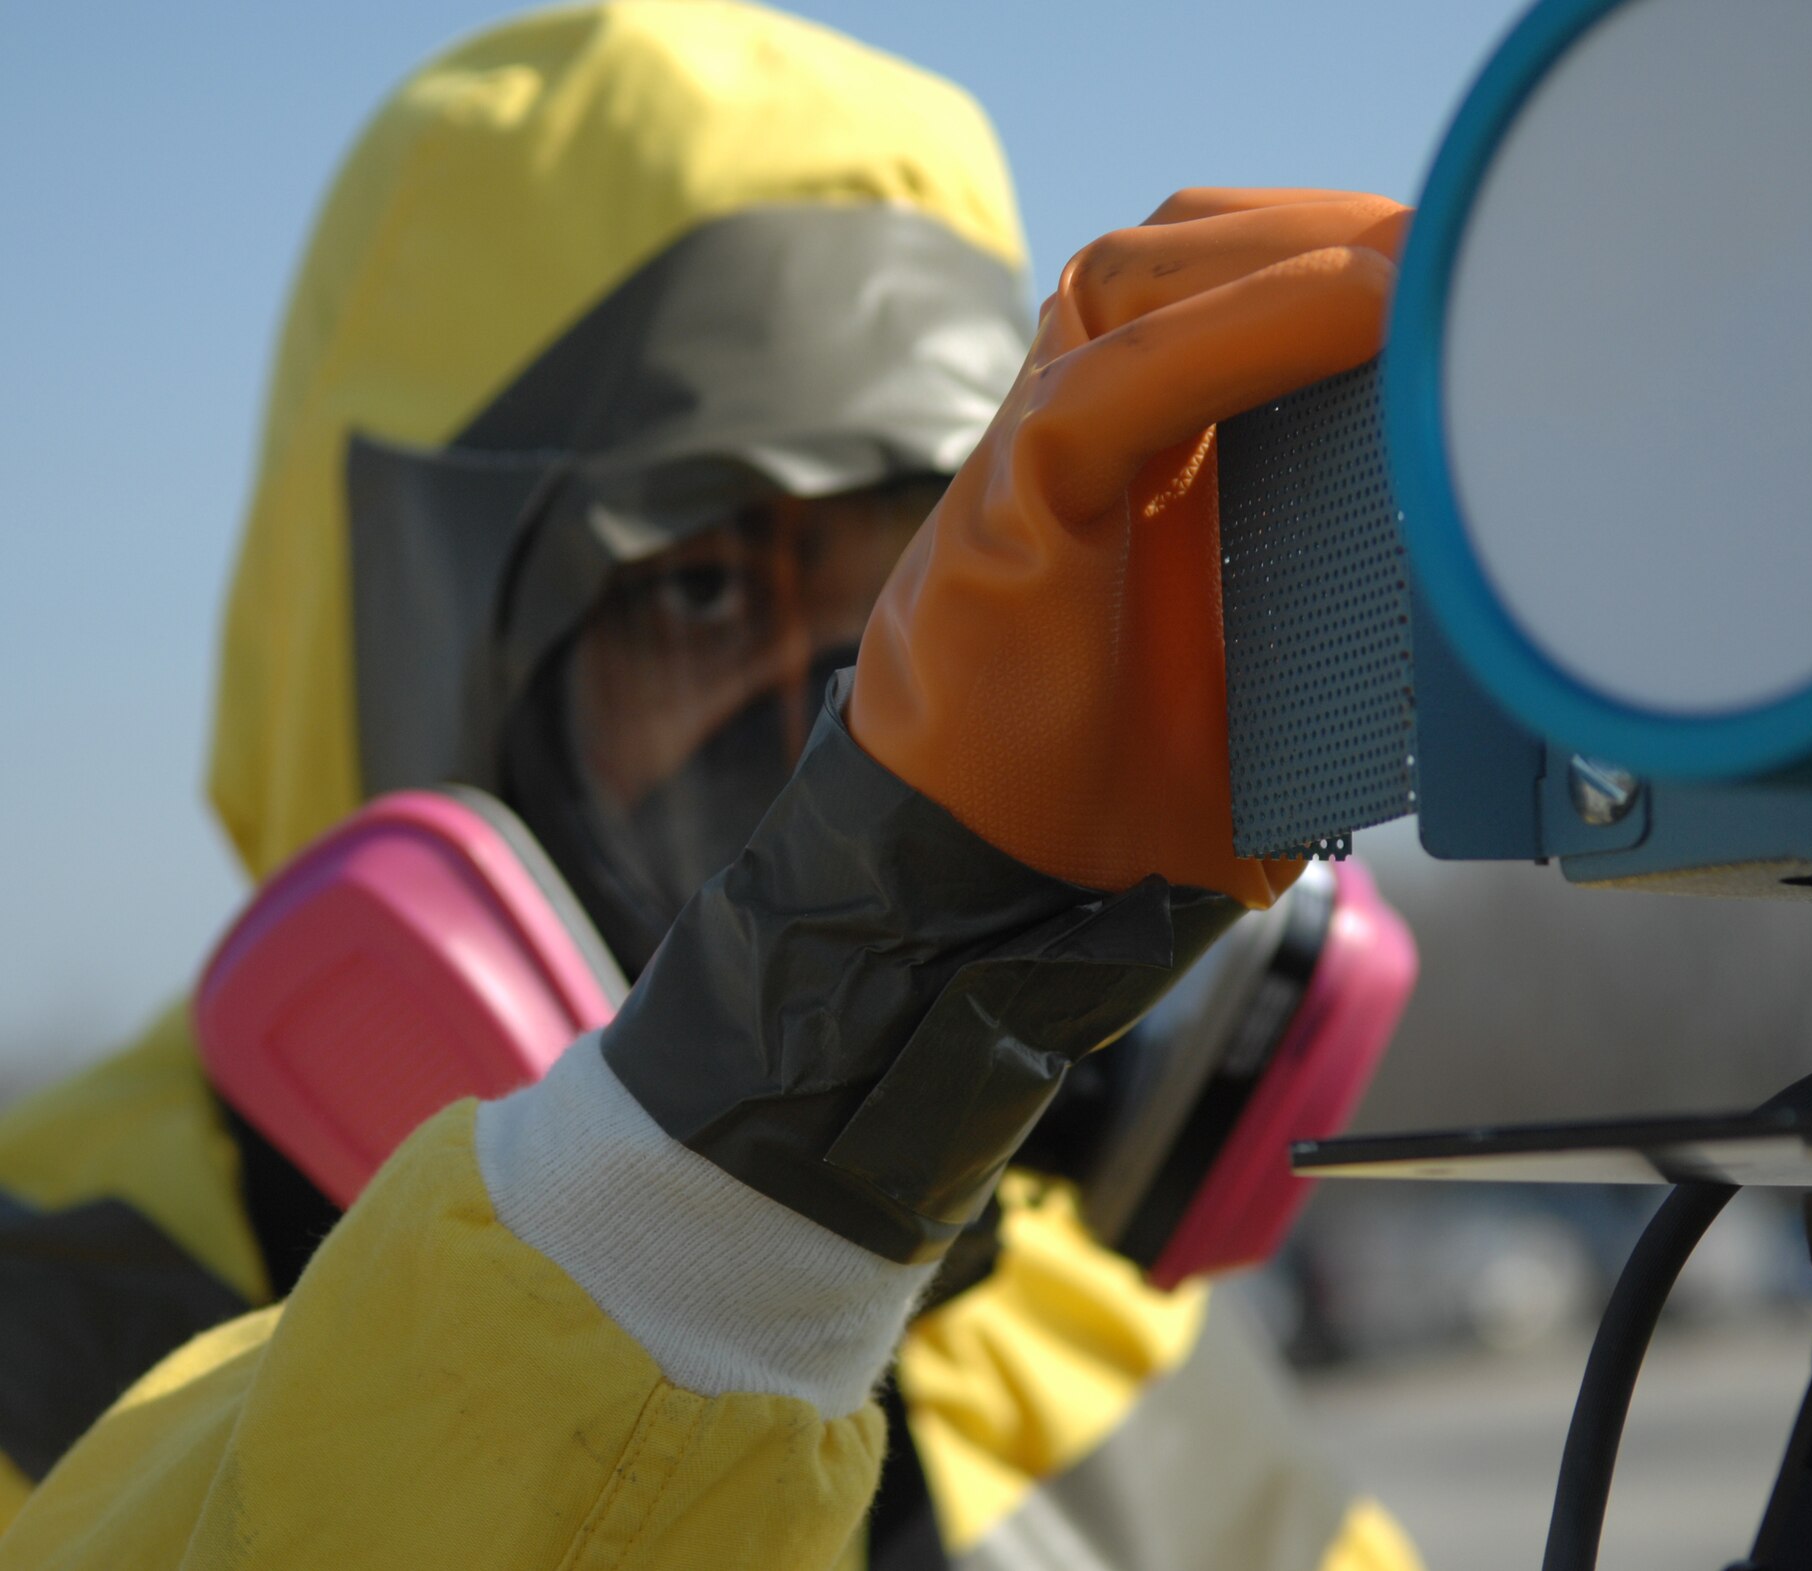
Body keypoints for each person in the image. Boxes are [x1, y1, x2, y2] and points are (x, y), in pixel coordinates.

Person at [0, 4, 1419, 1566]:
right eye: (700, 599)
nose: (852, 742)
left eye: (917, 589)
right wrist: (695, 1219)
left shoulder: (1100, 1346)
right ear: (402, 693)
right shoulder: (49, 1312)